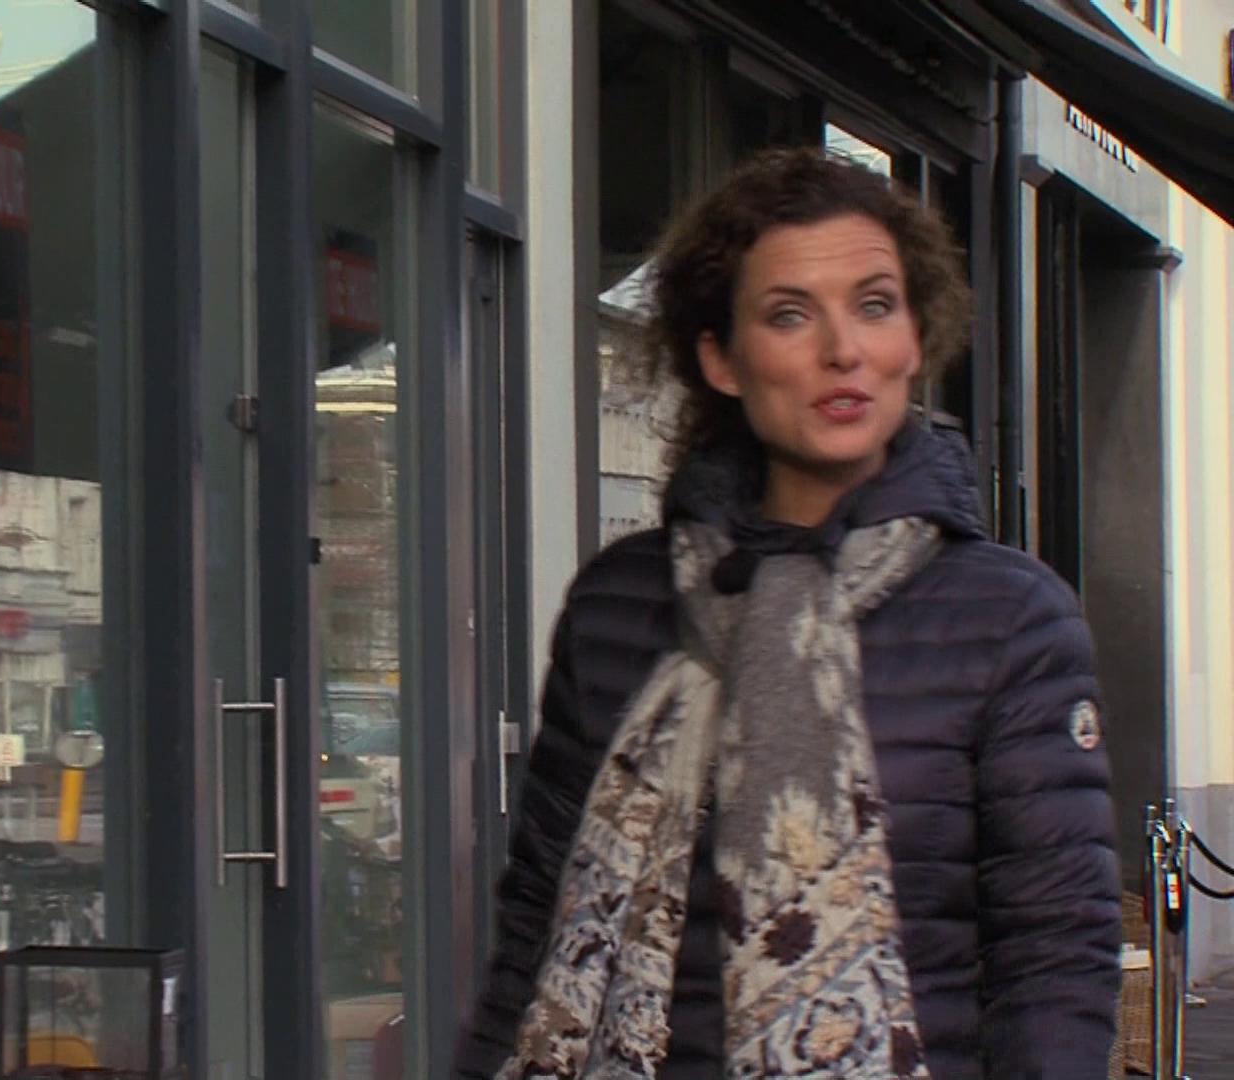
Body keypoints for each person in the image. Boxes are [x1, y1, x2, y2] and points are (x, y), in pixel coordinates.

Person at [459, 148, 1120, 1079]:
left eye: (874, 305)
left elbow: (1054, 957)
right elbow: (537, 921)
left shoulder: (1010, 617)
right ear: (721, 359)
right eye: (789, 315)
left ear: (915, 339)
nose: (842, 350)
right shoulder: (620, 604)